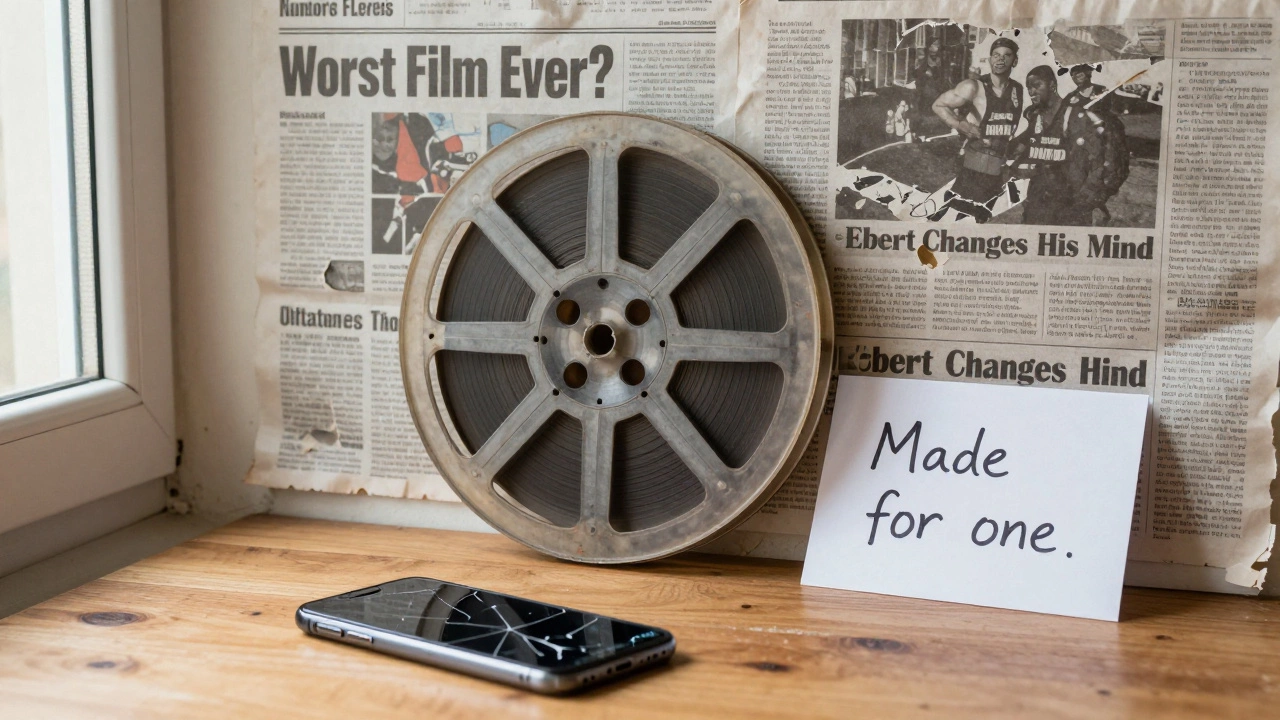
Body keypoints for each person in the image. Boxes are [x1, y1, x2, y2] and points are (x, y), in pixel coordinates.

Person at [930, 37, 1024, 222]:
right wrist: (960, 125)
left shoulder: (1017, 89)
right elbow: (938, 105)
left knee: (983, 216)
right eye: (996, 55)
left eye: (1006, 55)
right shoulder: (973, 86)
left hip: (996, 165)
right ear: (989, 59)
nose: (1000, 59)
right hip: (974, 163)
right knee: (957, 212)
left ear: (1015, 61)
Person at [1009, 65, 1113, 226]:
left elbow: (1098, 159)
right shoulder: (1036, 117)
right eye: (1028, 87)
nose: (1031, 91)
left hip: (1070, 203)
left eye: (1036, 85)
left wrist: (1089, 198)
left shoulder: (1073, 115)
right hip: (1039, 200)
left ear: (1052, 85)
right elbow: (1020, 147)